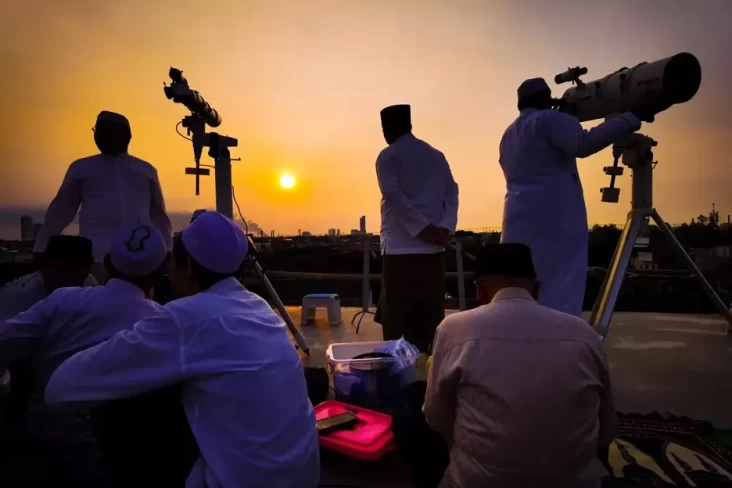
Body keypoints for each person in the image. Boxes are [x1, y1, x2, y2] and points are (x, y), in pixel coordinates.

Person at [45, 211, 320, 488]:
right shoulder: (260, 308)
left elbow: (60, 387)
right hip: (303, 476)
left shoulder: (185, 317)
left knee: (130, 406)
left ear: (186, 266)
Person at [423, 243, 616, 488]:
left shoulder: (454, 328)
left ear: (479, 290)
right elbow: (607, 430)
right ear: (537, 289)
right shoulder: (583, 333)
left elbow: (435, 417)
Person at [0, 224, 168, 488]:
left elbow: (6, 341)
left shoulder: (61, 300)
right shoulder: (162, 324)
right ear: (161, 272)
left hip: (40, 439)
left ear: (108, 263)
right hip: (112, 459)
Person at [499, 78, 644, 316]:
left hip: (519, 220)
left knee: (526, 284)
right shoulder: (549, 119)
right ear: (544, 97)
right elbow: (583, 143)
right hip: (556, 219)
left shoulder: (509, 133)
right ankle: (560, 331)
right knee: (562, 284)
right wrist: (629, 118)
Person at [33, 111, 173, 283]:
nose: (100, 136)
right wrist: (41, 247)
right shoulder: (81, 168)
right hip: (95, 260)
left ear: (126, 136)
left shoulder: (146, 170)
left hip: (137, 258)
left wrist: (167, 249)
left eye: (106, 131)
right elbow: (60, 213)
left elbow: (159, 216)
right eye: (97, 130)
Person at [374, 104, 459, 353]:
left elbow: (394, 197)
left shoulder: (388, 156)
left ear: (388, 128)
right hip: (434, 251)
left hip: (400, 250)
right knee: (430, 318)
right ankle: (431, 368)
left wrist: (422, 229)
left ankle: (402, 371)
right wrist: (444, 228)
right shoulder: (437, 155)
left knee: (398, 322)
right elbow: (452, 192)